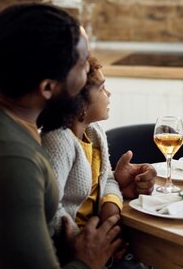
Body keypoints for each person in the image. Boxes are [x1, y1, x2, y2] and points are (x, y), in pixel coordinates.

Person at [0, 3, 121, 269]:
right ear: (47, 87)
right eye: (82, 65)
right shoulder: (13, 162)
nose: (88, 70)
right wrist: (87, 259)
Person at [39, 56, 148, 269]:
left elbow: (106, 177)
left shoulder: (94, 132)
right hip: (75, 254)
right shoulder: (58, 142)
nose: (108, 93)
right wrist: (83, 240)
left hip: (102, 242)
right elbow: (50, 208)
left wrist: (111, 204)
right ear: (79, 102)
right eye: (101, 87)